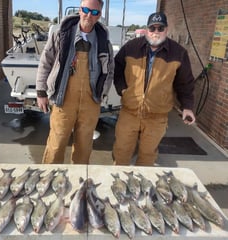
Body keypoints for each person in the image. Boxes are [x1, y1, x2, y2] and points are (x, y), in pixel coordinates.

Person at [112, 12, 196, 166]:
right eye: (152, 28)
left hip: (157, 116)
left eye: (160, 28)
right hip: (129, 112)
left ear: (166, 29)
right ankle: (119, 185)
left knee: (148, 156)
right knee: (121, 152)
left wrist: (187, 107)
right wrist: (122, 89)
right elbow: (116, 69)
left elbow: (185, 83)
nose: (156, 32)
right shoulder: (131, 47)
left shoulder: (178, 53)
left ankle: (142, 188)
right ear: (146, 29)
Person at [36, 0, 114, 164]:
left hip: (90, 103)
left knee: (84, 147)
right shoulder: (61, 34)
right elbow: (46, 62)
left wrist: (102, 93)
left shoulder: (103, 42)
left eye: (94, 12)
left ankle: (79, 182)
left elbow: (110, 70)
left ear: (99, 15)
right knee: (56, 144)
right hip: (63, 100)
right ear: (80, 10)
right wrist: (41, 92)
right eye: (85, 9)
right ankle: (50, 178)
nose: (88, 15)